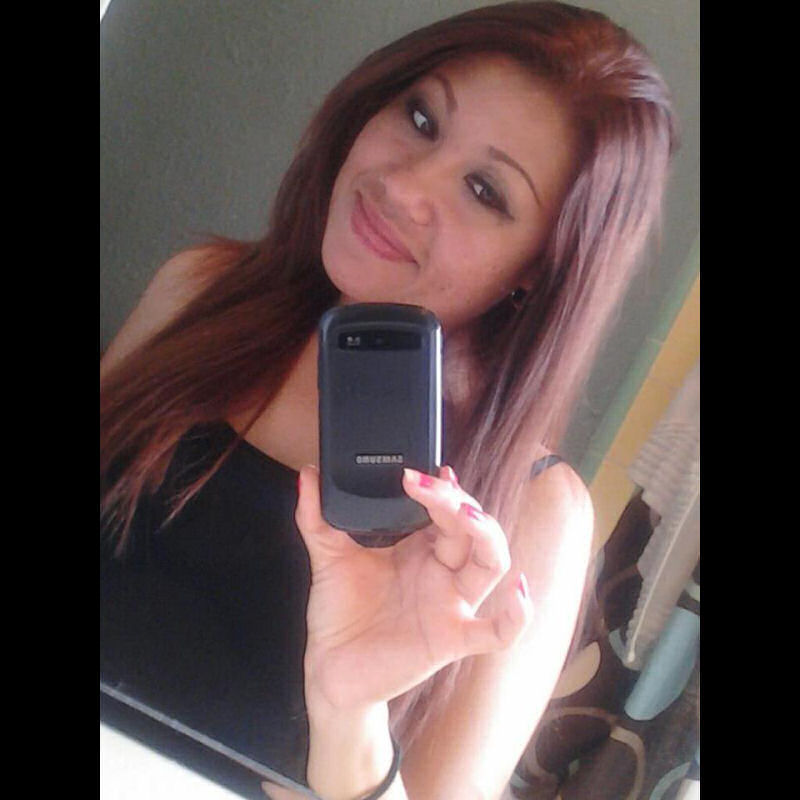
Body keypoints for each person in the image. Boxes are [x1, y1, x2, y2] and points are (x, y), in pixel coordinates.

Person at [100, 2, 677, 798]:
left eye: (485, 190)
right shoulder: (198, 290)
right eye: (420, 117)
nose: (403, 185)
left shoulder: (532, 516)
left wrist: (350, 715)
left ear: (537, 269)